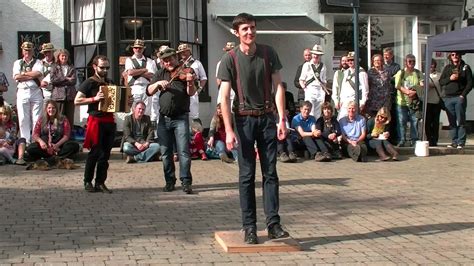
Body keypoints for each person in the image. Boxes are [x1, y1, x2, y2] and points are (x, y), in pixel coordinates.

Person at [218, 13, 290, 244]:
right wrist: (228, 130)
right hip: (244, 121)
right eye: (245, 29)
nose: (250, 32)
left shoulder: (268, 53)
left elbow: (278, 86)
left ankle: (274, 224)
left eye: (252, 28)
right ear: (237, 33)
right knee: (246, 175)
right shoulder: (230, 59)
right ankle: (249, 227)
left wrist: (281, 119)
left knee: (271, 173)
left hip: (267, 119)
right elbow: (224, 96)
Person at [146, 47, 196, 194]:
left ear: (175, 57)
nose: (168, 62)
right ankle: (169, 181)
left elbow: (191, 92)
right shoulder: (160, 73)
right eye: (165, 60)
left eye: (170, 59)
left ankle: (186, 182)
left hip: (180, 118)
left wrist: (190, 81)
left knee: (183, 152)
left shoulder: (185, 71)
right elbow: (149, 91)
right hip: (164, 119)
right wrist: (158, 84)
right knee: (166, 152)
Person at [74, 55, 116, 194]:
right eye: (102, 67)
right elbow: (77, 100)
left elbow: (115, 102)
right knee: (95, 152)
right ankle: (87, 181)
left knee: (106, 154)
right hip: (96, 120)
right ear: (94, 67)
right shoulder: (89, 82)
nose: (105, 70)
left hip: (109, 120)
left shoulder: (110, 82)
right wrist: (95, 98)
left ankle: (100, 182)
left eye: (107, 68)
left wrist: (126, 102)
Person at [439, 52, 473, 149]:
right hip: (448, 98)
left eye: (457, 54)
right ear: (450, 56)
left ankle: (461, 142)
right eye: (453, 55)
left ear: (460, 56)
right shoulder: (447, 68)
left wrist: (463, 95)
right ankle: (454, 141)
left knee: (461, 120)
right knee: (452, 121)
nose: (455, 56)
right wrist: (450, 78)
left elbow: (470, 83)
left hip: (459, 97)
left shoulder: (465, 67)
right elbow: (441, 81)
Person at [12, 41, 44, 143]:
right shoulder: (17, 63)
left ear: (33, 51)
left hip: (35, 91)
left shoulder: (38, 62)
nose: (27, 52)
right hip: (22, 91)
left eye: (29, 50)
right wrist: (30, 74)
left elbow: (38, 73)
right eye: (25, 50)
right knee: (22, 118)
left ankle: (35, 140)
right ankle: (25, 141)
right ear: (22, 51)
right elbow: (16, 76)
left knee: (37, 118)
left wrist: (24, 74)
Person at [394, 54, 423, 147]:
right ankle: (402, 140)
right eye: (409, 61)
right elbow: (397, 85)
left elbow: (422, 85)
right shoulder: (401, 73)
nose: (412, 63)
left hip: (413, 102)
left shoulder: (418, 73)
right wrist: (406, 91)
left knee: (414, 122)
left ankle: (414, 140)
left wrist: (414, 91)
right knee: (402, 121)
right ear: (405, 62)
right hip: (401, 102)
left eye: (413, 61)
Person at [125, 39, 157, 115]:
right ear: (133, 49)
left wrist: (136, 72)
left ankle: (146, 126)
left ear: (143, 49)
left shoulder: (149, 61)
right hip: (134, 88)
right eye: (136, 48)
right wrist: (144, 70)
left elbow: (151, 74)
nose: (138, 49)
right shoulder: (129, 60)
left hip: (146, 88)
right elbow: (130, 72)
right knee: (134, 111)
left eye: (140, 48)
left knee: (147, 111)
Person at [177, 43, 207, 121]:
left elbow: (203, 78)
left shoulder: (197, 63)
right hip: (181, 91)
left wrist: (199, 89)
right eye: (181, 52)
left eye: (184, 51)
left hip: (193, 90)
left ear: (189, 51)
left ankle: (195, 132)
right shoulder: (178, 64)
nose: (182, 53)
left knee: (194, 115)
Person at [335, 51, 369, 120]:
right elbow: (343, 88)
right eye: (349, 60)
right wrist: (341, 100)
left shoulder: (361, 73)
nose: (350, 62)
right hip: (345, 101)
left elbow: (365, 89)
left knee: (353, 121)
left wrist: (362, 102)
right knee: (341, 120)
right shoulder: (346, 72)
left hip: (355, 100)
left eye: (352, 60)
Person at [298, 44, 327, 119]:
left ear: (320, 56)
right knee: (310, 110)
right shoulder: (307, 65)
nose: (316, 56)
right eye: (314, 54)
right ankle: (311, 127)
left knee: (318, 112)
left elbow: (324, 80)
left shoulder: (323, 66)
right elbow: (301, 79)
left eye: (318, 54)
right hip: (310, 90)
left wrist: (324, 89)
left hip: (320, 91)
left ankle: (316, 126)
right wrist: (305, 89)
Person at [50, 48, 77, 126]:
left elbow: (73, 81)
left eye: (65, 56)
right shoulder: (54, 67)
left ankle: (69, 135)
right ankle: (59, 134)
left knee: (70, 117)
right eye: (62, 56)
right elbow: (53, 80)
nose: (64, 58)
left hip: (70, 95)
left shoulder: (71, 67)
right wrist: (65, 78)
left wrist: (61, 81)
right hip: (58, 96)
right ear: (58, 57)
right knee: (59, 116)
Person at [383, 47, 401, 144]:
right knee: (385, 117)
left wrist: (388, 77)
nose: (386, 57)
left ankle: (394, 138)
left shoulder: (396, 66)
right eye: (384, 55)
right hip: (384, 96)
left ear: (392, 56)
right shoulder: (382, 66)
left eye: (388, 55)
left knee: (394, 117)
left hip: (393, 95)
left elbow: (396, 78)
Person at [365, 54, 392, 118]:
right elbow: (367, 86)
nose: (377, 62)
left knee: (385, 121)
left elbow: (389, 84)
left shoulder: (387, 71)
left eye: (379, 60)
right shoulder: (369, 72)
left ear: (382, 61)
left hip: (385, 102)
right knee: (374, 121)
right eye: (375, 60)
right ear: (373, 62)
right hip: (374, 102)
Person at [426, 59, 443, 147]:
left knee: (435, 122)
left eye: (432, 64)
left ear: (435, 65)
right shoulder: (424, 75)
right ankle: (429, 139)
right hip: (427, 102)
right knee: (428, 122)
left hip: (436, 102)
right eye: (429, 64)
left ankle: (435, 140)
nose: (431, 66)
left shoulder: (440, 75)